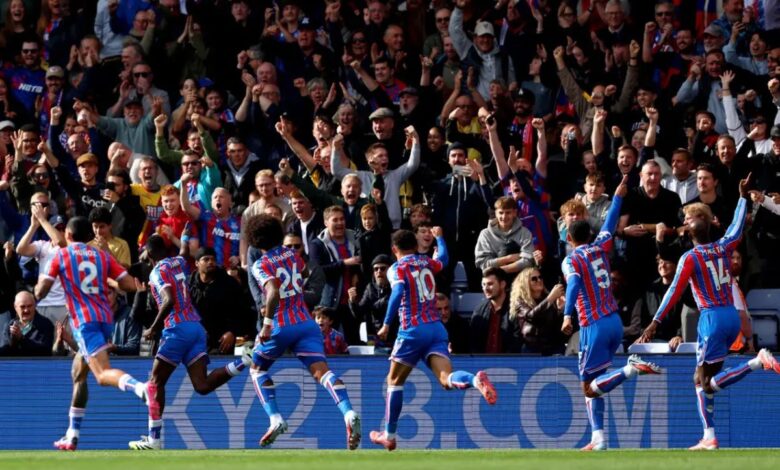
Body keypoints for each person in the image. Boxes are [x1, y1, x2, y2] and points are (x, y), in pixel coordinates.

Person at [637, 175, 780, 450]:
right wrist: (741, 198)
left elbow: (674, 290)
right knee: (702, 379)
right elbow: (736, 228)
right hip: (730, 315)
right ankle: (709, 435)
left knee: (704, 383)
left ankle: (756, 363)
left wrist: (655, 321)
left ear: (689, 234)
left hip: (712, 318)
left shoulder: (690, 257)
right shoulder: (723, 246)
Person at [369, 228, 496, 451]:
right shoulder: (426, 262)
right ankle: (475, 381)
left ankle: (389, 435)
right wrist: (439, 238)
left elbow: (397, 292)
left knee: (394, 381)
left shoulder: (397, 268)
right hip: (436, 328)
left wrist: (387, 323)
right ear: (415, 246)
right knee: (446, 379)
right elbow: (443, 259)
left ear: (394, 249)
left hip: (412, 329)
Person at [561, 175, 661, 451]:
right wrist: (617, 196)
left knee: (587, 387)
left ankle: (630, 368)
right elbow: (610, 223)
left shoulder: (571, 259)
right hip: (614, 322)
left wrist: (567, 315)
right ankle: (599, 439)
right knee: (597, 384)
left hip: (593, 325)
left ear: (568, 238)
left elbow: (573, 284)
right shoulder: (600, 246)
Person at [245, 214, 361, 450]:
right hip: (306, 324)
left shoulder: (260, 264)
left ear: (255, 240)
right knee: (323, 373)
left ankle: (275, 419)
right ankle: (348, 412)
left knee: (257, 370)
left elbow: (272, 291)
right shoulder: (292, 255)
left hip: (280, 325)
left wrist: (266, 324)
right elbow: (306, 273)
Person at [128, 235, 252, 450]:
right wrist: (183, 238)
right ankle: (244, 361)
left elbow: (168, 300)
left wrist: (154, 328)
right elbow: (184, 253)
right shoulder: (178, 262)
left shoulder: (157, 272)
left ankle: (153, 439)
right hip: (196, 327)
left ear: (149, 253)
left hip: (177, 328)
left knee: (155, 383)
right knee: (202, 385)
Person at [34, 216, 145, 451]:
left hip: (84, 321)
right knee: (78, 373)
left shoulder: (62, 255)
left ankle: (142, 389)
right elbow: (128, 285)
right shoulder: (102, 256)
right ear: (89, 236)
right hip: (105, 319)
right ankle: (72, 435)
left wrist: (37, 286)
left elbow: (41, 292)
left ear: (68, 235)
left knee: (102, 375)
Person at [0, 291, 54, 356]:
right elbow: (4, 352)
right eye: (22, 307)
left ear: (35, 305)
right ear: (15, 307)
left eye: (29, 306)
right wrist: (13, 340)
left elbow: (45, 351)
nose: (26, 310)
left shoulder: (45, 324)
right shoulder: (10, 325)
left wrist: (22, 338)